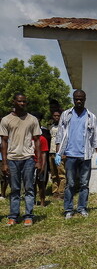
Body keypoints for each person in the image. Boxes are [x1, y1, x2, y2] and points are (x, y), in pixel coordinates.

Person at [55, 89, 97, 219]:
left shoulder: (91, 117)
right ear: (73, 99)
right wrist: (58, 153)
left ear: (85, 99)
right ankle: (68, 209)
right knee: (70, 183)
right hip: (70, 155)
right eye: (76, 99)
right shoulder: (66, 114)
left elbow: (96, 138)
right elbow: (59, 135)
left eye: (81, 99)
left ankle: (82, 208)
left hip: (85, 155)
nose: (79, 101)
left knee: (84, 184)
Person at [0, 93, 42, 226]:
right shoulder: (6, 120)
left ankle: (28, 216)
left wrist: (39, 160)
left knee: (29, 188)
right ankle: (13, 216)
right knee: (14, 189)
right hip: (12, 159)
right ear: (14, 102)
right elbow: (4, 142)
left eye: (24, 102)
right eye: (19, 101)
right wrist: (4, 162)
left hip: (28, 159)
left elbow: (37, 141)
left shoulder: (32, 119)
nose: (22, 104)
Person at [48, 100, 65, 198]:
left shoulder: (64, 127)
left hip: (60, 152)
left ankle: (61, 191)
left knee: (61, 173)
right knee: (54, 173)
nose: (56, 117)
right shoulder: (51, 125)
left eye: (58, 116)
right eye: (55, 116)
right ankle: (55, 191)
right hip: (52, 152)